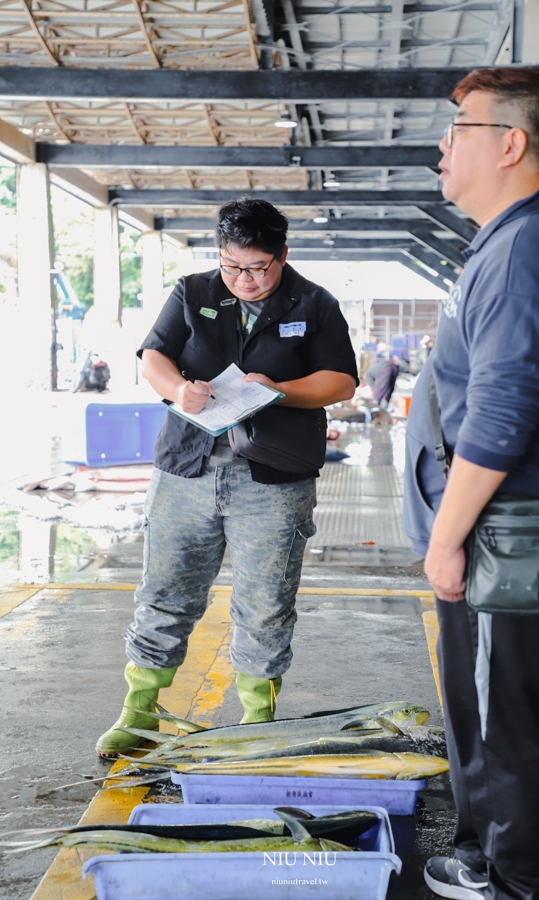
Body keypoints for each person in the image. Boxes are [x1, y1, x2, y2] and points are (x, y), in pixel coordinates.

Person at [403, 68, 539, 900]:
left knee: (497, 712)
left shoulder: (523, 250)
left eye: (459, 129)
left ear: (510, 143)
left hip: (501, 528)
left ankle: (515, 878)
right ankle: (485, 851)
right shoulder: (521, 236)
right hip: (505, 521)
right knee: (484, 703)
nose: (442, 148)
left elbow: (506, 410)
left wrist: (447, 538)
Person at [96, 198, 358, 757]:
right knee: (165, 592)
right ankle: (138, 712)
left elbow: (341, 382)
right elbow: (152, 357)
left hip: (274, 478)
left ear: (282, 256)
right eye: (231, 266)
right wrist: (176, 390)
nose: (243, 279)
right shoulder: (193, 291)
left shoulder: (314, 302)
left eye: (257, 267)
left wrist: (279, 390)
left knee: (265, 603)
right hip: (187, 469)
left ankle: (256, 723)